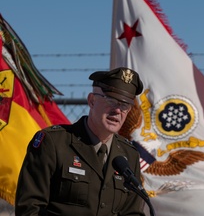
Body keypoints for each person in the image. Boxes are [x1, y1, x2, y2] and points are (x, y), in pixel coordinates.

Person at [15, 67, 146, 216]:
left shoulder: (129, 155)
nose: (117, 110)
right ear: (91, 101)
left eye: (124, 105)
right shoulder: (53, 143)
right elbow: (30, 209)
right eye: (111, 100)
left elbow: (133, 212)